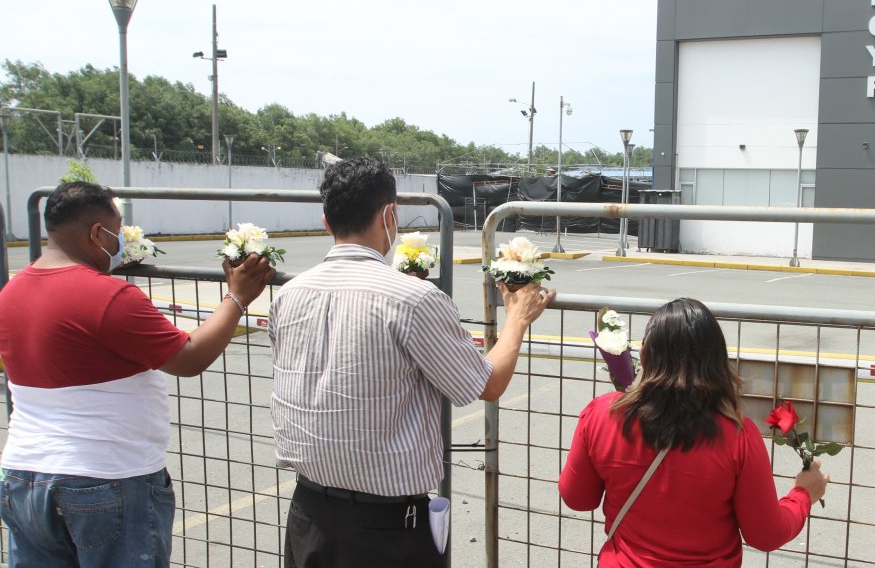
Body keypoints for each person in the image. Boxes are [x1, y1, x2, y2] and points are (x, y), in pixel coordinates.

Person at [269, 157, 553, 567]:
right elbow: (487, 384)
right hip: (384, 529)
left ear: (327, 222)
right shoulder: (412, 300)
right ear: (390, 215)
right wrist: (518, 319)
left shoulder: (290, 294)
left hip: (307, 513)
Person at [0, 181, 276, 567]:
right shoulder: (110, 298)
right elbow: (189, 359)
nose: (120, 241)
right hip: (105, 478)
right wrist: (237, 297)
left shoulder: (12, 293)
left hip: (23, 477)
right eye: (118, 230)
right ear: (98, 234)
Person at [559, 297, 829, 567]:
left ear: (644, 355)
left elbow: (578, 498)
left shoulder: (601, 413)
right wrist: (803, 494)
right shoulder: (738, 435)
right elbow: (766, 534)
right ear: (718, 362)